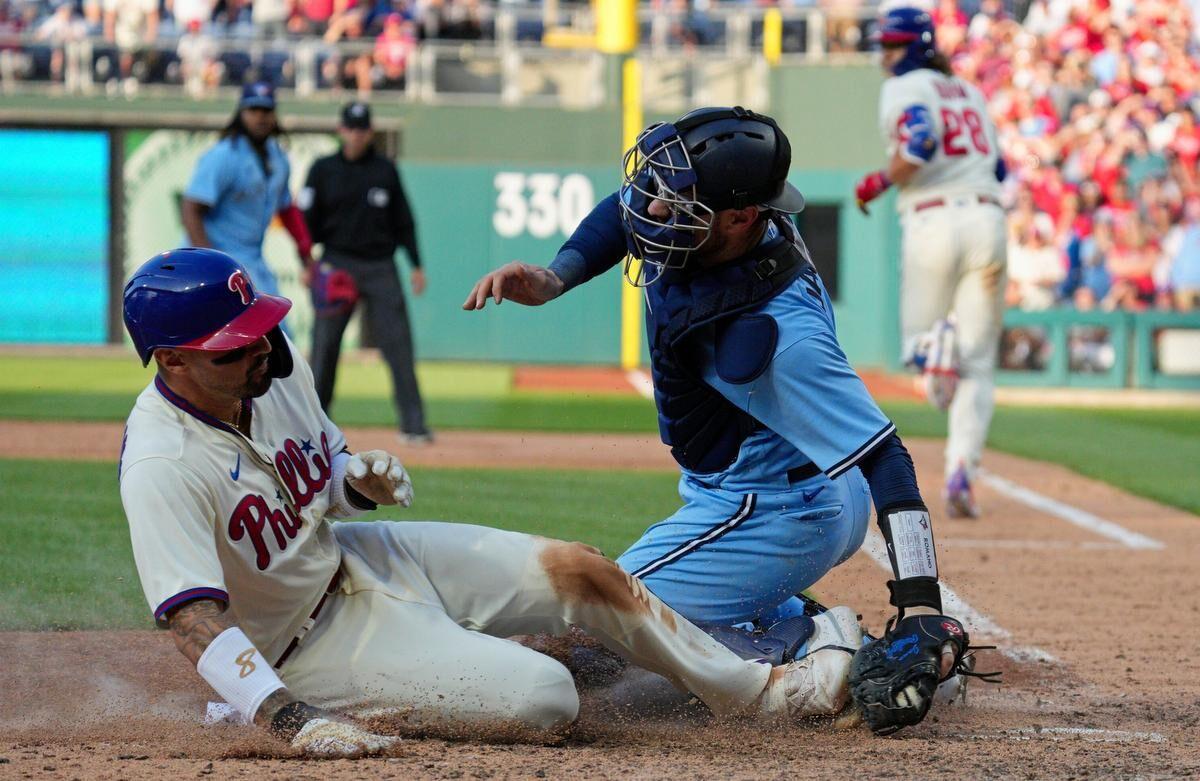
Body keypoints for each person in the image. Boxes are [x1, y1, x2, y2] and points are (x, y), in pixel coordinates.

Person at [117, 248, 886, 757]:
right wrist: (287, 716)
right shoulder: (162, 461)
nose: (262, 348)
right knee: (546, 698)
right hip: (303, 649)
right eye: (234, 342)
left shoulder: (274, 372)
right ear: (175, 360)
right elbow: (191, 617)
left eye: (260, 328)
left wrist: (354, 478)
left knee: (584, 573)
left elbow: (322, 483)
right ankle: (346, 698)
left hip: (357, 560)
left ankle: (760, 695)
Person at [464, 106, 977, 735]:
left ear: (740, 218)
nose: (652, 212)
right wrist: (555, 276)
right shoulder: (711, 226)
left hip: (778, 512)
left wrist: (922, 604)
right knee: (618, 621)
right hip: (785, 487)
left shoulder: (777, 336)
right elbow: (624, 210)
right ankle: (772, 614)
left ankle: (815, 646)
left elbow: (885, 455)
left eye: (675, 206)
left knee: (591, 633)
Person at [854, 6, 1007, 519]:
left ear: (911, 47)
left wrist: (877, 182)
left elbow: (919, 143)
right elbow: (1000, 164)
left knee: (918, 349)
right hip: (988, 218)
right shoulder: (969, 90)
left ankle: (936, 350)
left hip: (934, 218)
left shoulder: (904, 87)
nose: (885, 54)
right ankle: (963, 467)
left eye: (891, 45)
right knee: (979, 364)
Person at [300, 101, 432, 444]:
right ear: (341, 130)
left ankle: (413, 425)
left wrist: (416, 264)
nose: (356, 134)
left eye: (362, 129)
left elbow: (404, 220)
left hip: (379, 265)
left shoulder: (384, 170)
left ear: (369, 131)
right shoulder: (323, 169)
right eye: (351, 128)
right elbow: (306, 224)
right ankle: (315, 429)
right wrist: (307, 264)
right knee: (325, 346)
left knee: (398, 344)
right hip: (336, 262)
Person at [181, 81, 313, 298]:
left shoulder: (278, 158)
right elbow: (191, 209)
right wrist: (210, 264)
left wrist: (307, 257)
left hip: (250, 260)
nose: (260, 117)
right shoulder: (224, 155)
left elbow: (287, 209)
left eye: (266, 110)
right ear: (241, 113)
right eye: (254, 110)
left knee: (274, 328)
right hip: (214, 256)